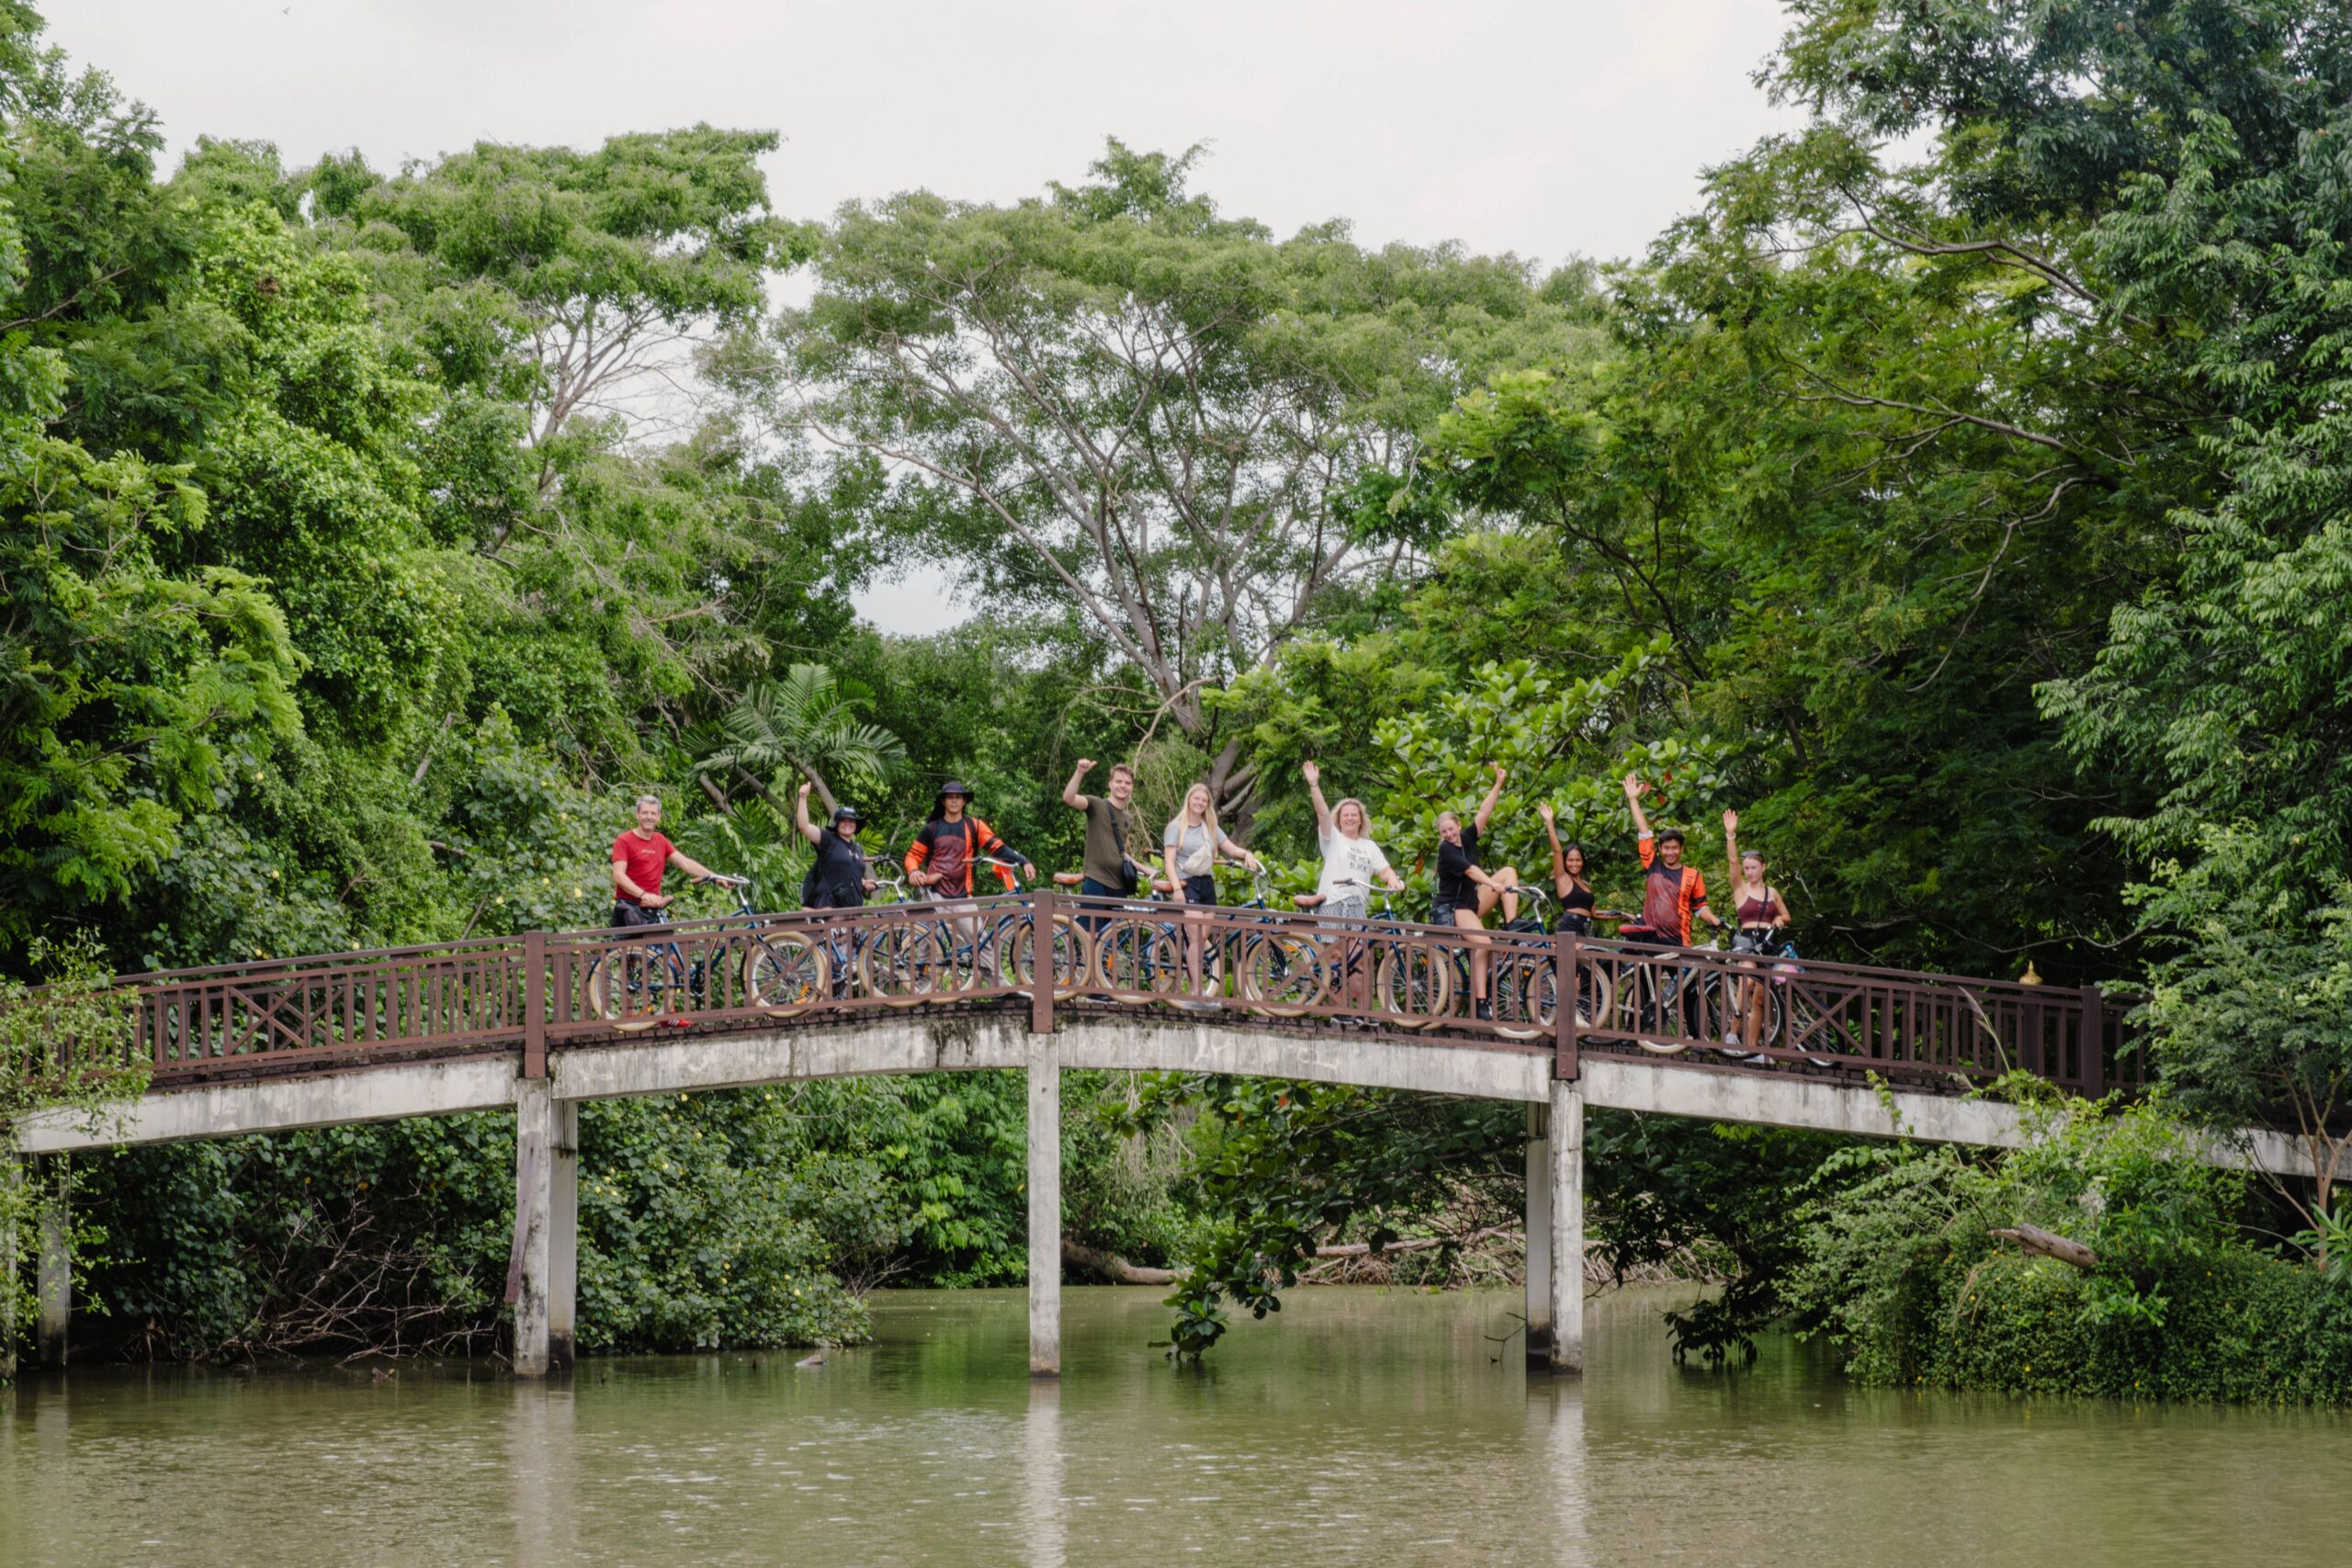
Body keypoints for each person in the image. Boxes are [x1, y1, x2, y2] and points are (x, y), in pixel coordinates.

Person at [1620, 773, 1724, 1041]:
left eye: (1674, 848)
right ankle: (1634, 1037)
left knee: (1690, 991)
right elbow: (1644, 831)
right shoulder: (1652, 865)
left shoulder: (1693, 875)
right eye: (1665, 847)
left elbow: (1701, 908)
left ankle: (1697, 1040)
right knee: (1645, 991)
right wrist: (1633, 799)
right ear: (1661, 849)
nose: (1669, 852)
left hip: (1679, 943)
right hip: (1652, 939)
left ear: (1681, 849)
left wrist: (1714, 920)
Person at [1304, 761, 1405, 1010]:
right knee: (1336, 958)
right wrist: (1314, 784)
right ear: (1341, 819)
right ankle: (1339, 1011)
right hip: (1333, 902)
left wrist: (1393, 879)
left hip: (1357, 906)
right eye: (1346, 814)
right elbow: (1322, 813)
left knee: (1360, 959)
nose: (1350, 818)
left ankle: (1361, 1012)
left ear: (1361, 819)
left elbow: (1383, 869)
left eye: (1354, 814)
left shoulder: (1369, 846)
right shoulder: (1333, 838)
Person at [1160, 781, 1264, 1003]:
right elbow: (1168, 861)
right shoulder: (1176, 827)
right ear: (1189, 799)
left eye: (1204, 800)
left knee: (1203, 938)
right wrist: (1176, 887)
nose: (1199, 802)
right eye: (1196, 798)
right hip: (1187, 884)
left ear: (1207, 804)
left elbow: (1230, 849)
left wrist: (1246, 854)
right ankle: (1196, 991)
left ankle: (1198, 989)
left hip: (1207, 884)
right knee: (1196, 937)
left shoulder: (1210, 827)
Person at [1434, 763, 1521, 1021]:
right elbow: (1471, 871)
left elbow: (1485, 810)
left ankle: (1512, 923)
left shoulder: (1468, 837)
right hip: (1455, 907)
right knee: (1484, 945)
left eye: (1451, 829)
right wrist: (1492, 885)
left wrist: (1498, 783)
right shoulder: (1445, 850)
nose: (1449, 834)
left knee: (1508, 871)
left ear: (1458, 825)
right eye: (1444, 832)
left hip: (1472, 901)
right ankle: (1481, 1001)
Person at [905, 781, 1033, 950]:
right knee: (927, 948)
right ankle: (922, 977)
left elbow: (997, 847)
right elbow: (913, 855)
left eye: (958, 797)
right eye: (950, 797)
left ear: (964, 801)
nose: (954, 801)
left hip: (963, 896)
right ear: (943, 801)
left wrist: (1023, 861)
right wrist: (913, 871)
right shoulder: (932, 828)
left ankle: (997, 978)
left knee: (981, 946)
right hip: (935, 895)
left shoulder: (974, 826)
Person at [1724, 808, 1795, 1053]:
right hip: (1746, 941)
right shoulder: (1741, 889)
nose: (1749, 871)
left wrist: (1779, 921)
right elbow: (1732, 864)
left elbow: (1786, 915)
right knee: (1746, 981)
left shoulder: (1772, 893)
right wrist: (1730, 836)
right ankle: (1733, 1033)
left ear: (1763, 867)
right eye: (1747, 867)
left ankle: (1753, 1048)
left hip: (1767, 942)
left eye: (1753, 867)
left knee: (1761, 998)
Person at [610, 793, 722, 928]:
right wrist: (643, 895)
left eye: (653, 813)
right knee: (636, 949)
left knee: (667, 945)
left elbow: (685, 863)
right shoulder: (624, 840)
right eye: (645, 813)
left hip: (653, 908)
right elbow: (618, 875)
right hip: (629, 908)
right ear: (637, 815)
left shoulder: (660, 840)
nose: (649, 817)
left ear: (659, 817)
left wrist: (715, 877)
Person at [1061, 759, 1139, 904]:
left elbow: (1122, 853)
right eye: (1119, 781)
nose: (1123, 786)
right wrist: (1080, 772)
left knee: (1116, 927)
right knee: (1090, 927)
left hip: (1119, 885)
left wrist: (1146, 870)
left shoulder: (1128, 818)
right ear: (1110, 784)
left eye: (1127, 783)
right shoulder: (1096, 805)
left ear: (1132, 787)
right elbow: (1068, 798)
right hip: (1096, 881)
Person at [795, 781, 878, 910]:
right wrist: (802, 797)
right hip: (830, 909)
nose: (847, 824)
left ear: (856, 825)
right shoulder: (828, 840)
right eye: (843, 821)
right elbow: (804, 827)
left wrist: (864, 883)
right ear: (837, 824)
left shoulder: (857, 849)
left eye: (851, 821)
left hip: (854, 910)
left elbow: (847, 875)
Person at [1535, 801, 1601, 935]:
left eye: (1578, 860)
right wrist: (1549, 822)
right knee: (1583, 956)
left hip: (1585, 928)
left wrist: (1622, 915)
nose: (1574, 864)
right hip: (1569, 926)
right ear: (1565, 862)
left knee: (1597, 955)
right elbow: (1557, 850)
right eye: (1570, 860)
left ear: (1583, 862)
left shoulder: (1586, 885)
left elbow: (1594, 913)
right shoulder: (1562, 878)